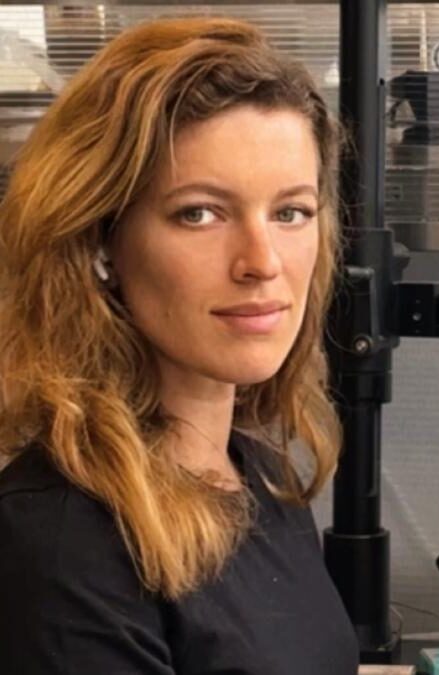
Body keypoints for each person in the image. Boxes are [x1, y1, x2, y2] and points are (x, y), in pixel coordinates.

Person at [0, 16, 360, 674]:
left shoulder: (262, 475)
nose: (262, 262)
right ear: (101, 243)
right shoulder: (61, 544)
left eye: (290, 212)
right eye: (200, 212)